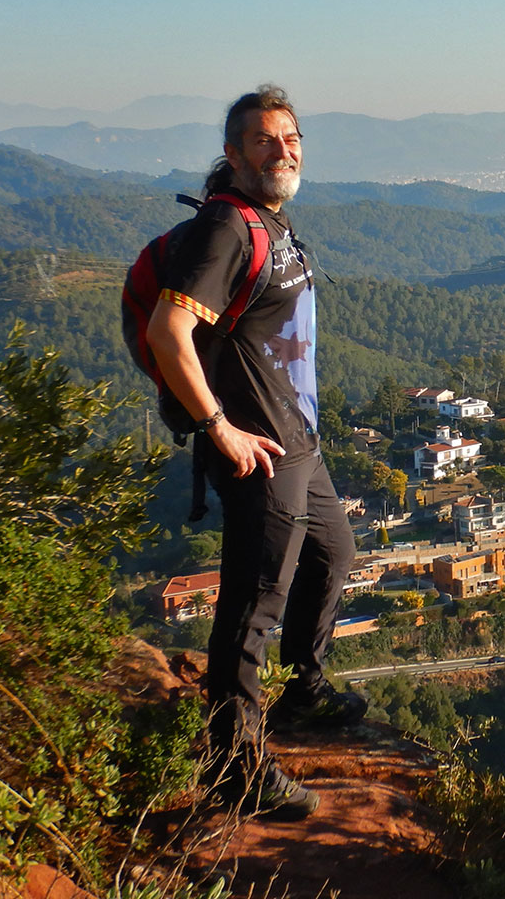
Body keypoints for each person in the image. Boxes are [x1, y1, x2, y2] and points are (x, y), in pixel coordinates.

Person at [147, 85, 365, 821]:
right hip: (257, 450)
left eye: (291, 137)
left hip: (301, 440)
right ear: (234, 153)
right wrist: (220, 429)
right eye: (265, 140)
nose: (283, 150)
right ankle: (234, 767)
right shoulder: (225, 230)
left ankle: (304, 693)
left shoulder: (270, 220)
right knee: (253, 604)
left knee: (334, 554)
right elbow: (166, 334)